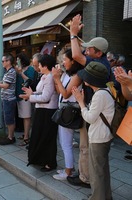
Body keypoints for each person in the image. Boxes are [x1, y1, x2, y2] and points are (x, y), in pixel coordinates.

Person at [67, 14, 111, 188]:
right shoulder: (100, 61)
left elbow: (77, 56)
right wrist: (76, 36)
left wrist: (72, 34)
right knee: (89, 150)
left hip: (94, 114)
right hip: (95, 113)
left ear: (98, 53)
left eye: (90, 49)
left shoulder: (99, 65)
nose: (86, 51)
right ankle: (87, 176)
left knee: (88, 149)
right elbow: (80, 53)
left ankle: (86, 179)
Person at [72, 61, 114, 200]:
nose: (83, 79)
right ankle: (105, 196)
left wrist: (80, 102)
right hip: (104, 136)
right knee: (102, 171)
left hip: (98, 138)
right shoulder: (105, 91)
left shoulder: (99, 95)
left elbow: (89, 118)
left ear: (92, 79)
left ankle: (97, 198)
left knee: (96, 173)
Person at [19, 54, 58, 171]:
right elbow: (40, 93)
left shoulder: (50, 77)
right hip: (41, 110)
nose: (37, 67)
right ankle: (40, 159)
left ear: (45, 66)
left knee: (47, 137)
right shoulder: (44, 76)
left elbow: (45, 97)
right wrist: (31, 93)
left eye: (39, 65)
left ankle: (49, 162)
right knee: (39, 135)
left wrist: (30, 97)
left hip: (48, 111)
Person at [51, 48, 84, 180]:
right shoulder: (67, 74)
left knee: (66, 143)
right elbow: (59, 91)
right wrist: (57, 78)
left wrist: (57, 78)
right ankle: (68, 168)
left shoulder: (77, 76)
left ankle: (69, 171)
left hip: (70, 112)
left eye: (65, 59)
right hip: (64, 110)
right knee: (64, 142)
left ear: (73, 61)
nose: (63, 62)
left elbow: (65, 94)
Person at [14, 52, 36, 146]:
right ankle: (25, 134)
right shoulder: (20, 69)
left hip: (26, 95)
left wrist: (20, 73)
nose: (17, 61)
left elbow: (29, 80)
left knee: (26, 117)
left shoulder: (30, 69)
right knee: (23, 116)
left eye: (19, 60)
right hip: (19, 95)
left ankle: (27, 137)